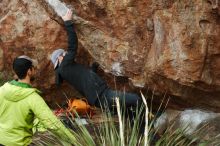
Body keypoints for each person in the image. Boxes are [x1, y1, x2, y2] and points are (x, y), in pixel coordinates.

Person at [51, 10, 142, 116]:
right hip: (103, 95)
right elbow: (72, 47)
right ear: (60, 58)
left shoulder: (67, 70)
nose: (67, 54)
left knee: (128, 112)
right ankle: (147, 130)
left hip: (100, 98)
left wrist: (93, 68)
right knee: (136, 100)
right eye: (64, 54)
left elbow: (83, 78)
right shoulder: (64, 66)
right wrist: (68, 22)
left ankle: (141, 130)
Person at [0, 55, 76, 146]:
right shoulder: (33, 98)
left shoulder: (2, 89)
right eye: (33, 68)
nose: (35, 70)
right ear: (29, 71)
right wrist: (74, 141)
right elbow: (52, 123)